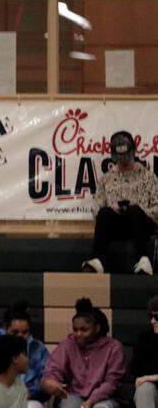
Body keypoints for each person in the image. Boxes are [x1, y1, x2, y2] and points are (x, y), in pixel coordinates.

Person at [82, 131, 158, 274]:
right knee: (104, 213)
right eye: (119, 157)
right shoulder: (106, 179)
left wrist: (138, 210)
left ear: (133, 152)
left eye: (126, 156)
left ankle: (143, 260)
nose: (123, 160)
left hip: (141, 225)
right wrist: (113, 209)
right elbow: (97, 209)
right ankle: (97, 261)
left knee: (135, 211)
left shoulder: (148, 177)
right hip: (117, 226)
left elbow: (157, 207)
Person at [41, 298, 126, 408]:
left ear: (97, 328)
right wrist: (50, 382)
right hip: (74, 395)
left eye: (84, 330)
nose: (78, 334)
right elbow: (53, 369)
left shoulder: (114, 348)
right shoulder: (68, 344)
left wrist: (91, 401)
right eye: (75, 329)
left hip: (105, 398)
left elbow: (112, 383)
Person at [0, 300, 50, 408]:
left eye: (24, 332)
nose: (20, 336)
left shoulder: (39, 349)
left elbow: (44, 385)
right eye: (15, 332)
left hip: (27, 400)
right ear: (6, 329)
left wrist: (32, 393)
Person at [131, 295, 158, 408]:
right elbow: (137, 372)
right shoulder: (144, 339)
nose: (152, 321)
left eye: (157, 317)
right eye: (150, 316)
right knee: (145, 388)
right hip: (152, 392)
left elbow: (146, 375)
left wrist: (150, 376)